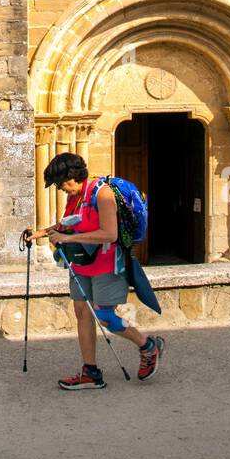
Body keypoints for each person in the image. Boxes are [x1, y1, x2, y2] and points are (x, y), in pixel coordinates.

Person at [35, 151, 165, 391]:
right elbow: (69, 224)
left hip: (107, 263)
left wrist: (67, 237)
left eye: (62, 183)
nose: (61, 189)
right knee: (82, 312)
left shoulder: (102, 194)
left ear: (73, 176)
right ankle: (90, 372)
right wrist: (42, 232)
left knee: (104, 316)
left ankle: (147, 346)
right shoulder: (75, 196)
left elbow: (110, 234)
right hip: (82, 262)